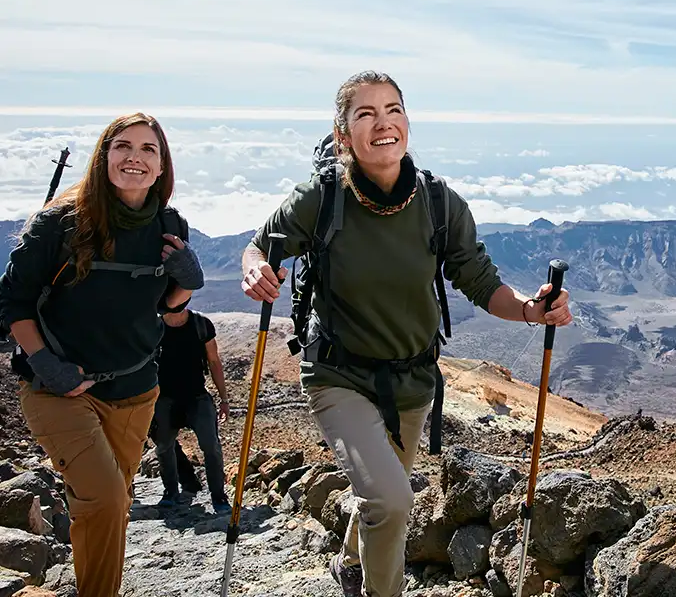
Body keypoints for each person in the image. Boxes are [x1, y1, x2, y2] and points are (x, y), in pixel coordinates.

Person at [241, 71, 572, 597]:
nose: (383, 123)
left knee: (381, 494)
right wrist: (256, 268)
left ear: (408, 123)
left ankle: (350, 564)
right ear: (344, 134)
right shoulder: (320, 199)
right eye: (365, 114)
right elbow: (260, 247)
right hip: (337, 374)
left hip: (414, 382)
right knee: (393, 499)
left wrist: (534, 311)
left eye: (393, 109)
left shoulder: (440, 205)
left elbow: (483, 285)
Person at [0, 113, 205, 597]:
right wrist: (44, 362)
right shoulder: (59, 223)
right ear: (103, 157)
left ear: (161, 167)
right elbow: (12, 301)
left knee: (109, 505)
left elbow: (163, 308)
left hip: (135, 391)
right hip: (59, 389)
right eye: (123, 146)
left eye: (148, 150)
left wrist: (184, 286)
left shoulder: (170, 225)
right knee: (107, 498)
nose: (135, 157)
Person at [150, 307, 232, 514]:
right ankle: (170, 492)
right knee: (164, 446)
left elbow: (214, 361)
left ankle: (218, 496)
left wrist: (224, 399)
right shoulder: (153, 327)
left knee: (211, 446)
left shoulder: (201, 325)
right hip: (164, 398)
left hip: (196, 396)